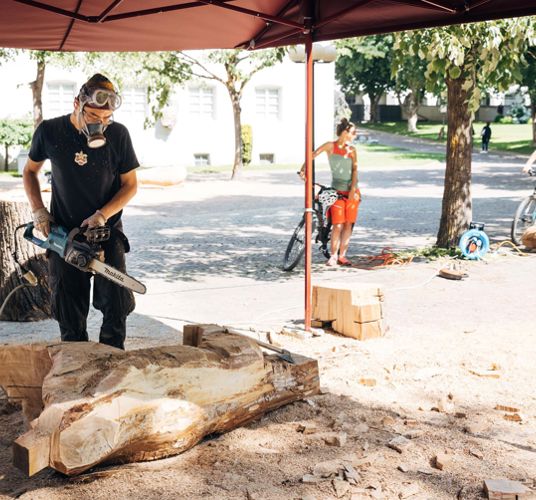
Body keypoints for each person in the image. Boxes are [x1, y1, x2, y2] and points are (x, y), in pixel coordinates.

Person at [23, 73, 139, 350]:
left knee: (115, 305)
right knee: (69, 307)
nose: (100, 124)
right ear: (77, 103)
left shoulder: (119, 135)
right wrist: (39, 210)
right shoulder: (50, 131)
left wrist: (102, 214)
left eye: (106, 119)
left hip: (106, 229)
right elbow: (30, 171)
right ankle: (75, 362)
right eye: (93, 116)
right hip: (65, 233)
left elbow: (130, 185)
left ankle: (113, 359)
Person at [300, 118, 360, 266]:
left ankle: (343, 255)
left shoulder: (351, 150)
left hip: (352, 191)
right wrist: (303, 168)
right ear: (345, 132)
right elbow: (312, 155)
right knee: (338, 224)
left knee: (348, 224)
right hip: (336, 191)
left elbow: (354, 170)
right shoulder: (330, 146)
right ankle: (333, 256)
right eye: (353, 132)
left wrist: (353, 189)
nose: (355, 135)